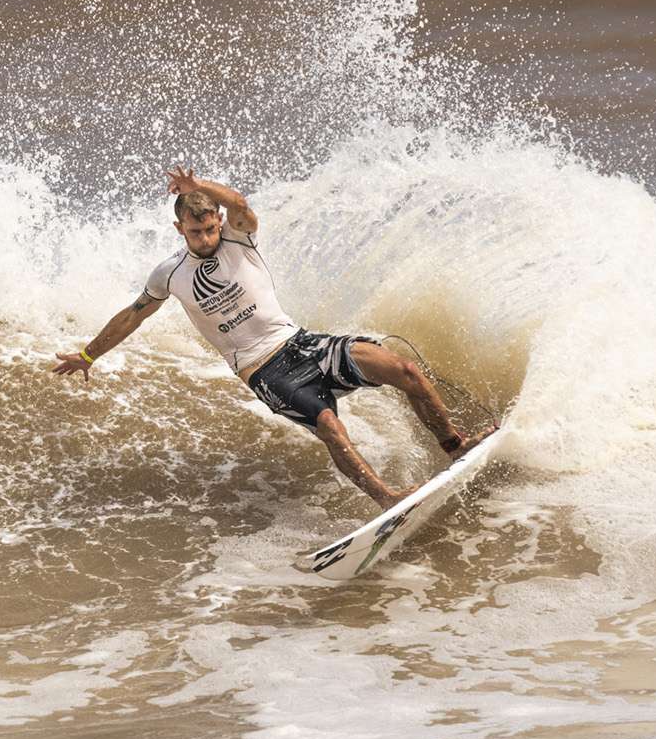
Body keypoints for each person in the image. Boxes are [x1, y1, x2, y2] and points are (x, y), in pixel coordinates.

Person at [52, 166, 493, 510]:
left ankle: (455, 445)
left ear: (219, 221)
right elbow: (133, 315)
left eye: (210, 228)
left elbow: (241, 202)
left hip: (301, 343)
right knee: (328, 426)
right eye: (195, 232)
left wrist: (196, 184)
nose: (205, 238)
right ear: (179, 230)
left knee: (404, 369)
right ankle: (387, 497)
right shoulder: (169, 274)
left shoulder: (239, 239)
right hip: (263, 369)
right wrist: (89, 355)